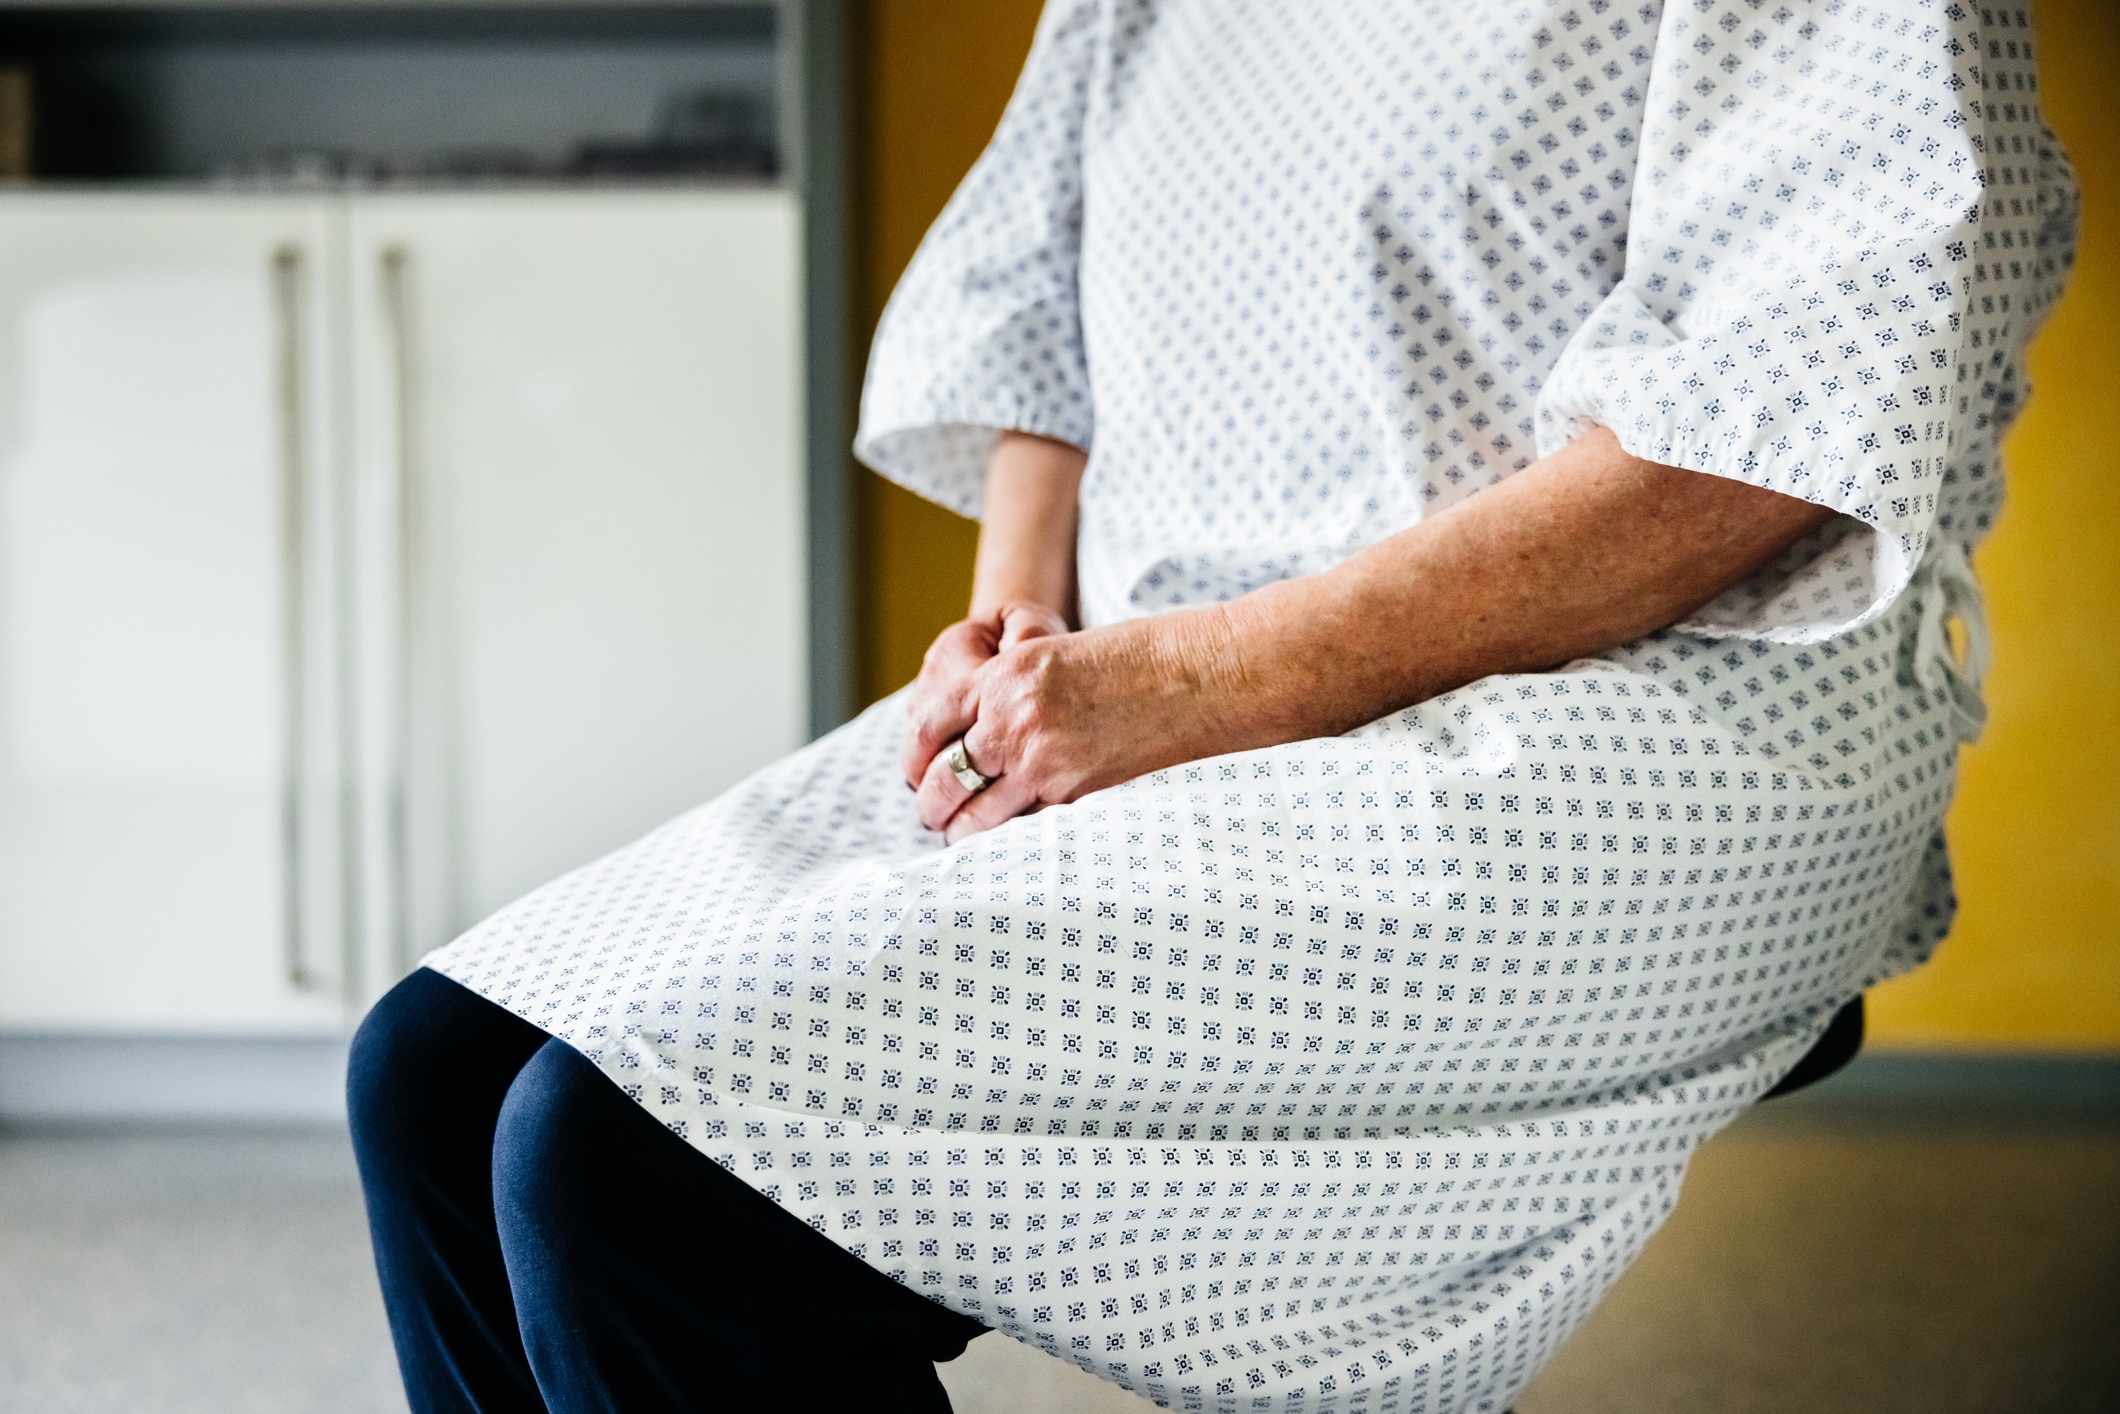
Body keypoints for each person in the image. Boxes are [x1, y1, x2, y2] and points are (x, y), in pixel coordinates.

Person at [348, 3, 2077, 1412]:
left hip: (1651, 698)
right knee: (435, 1069)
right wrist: (1018, 621)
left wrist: (1199, 679)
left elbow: (1751, 455)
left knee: (636, 1169)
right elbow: (1039, 306)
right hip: (1157, 679)